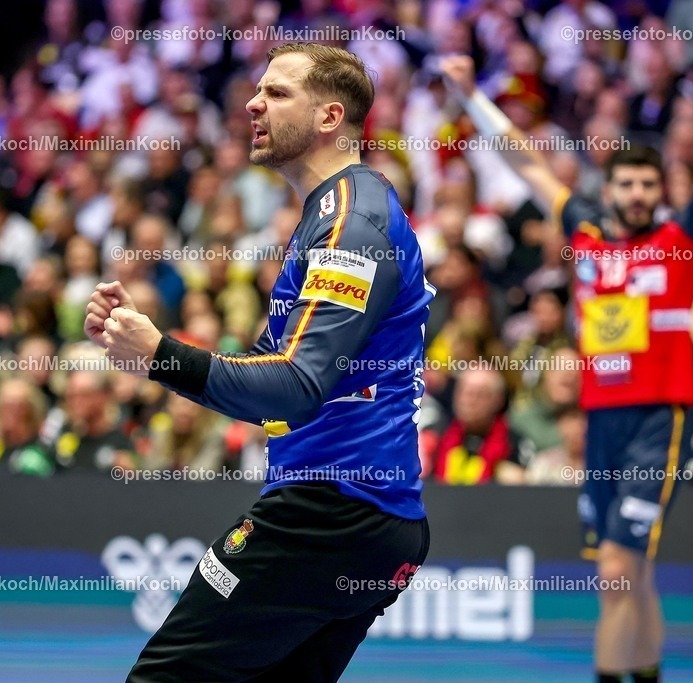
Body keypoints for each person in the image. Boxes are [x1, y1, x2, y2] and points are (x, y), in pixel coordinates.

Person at [85, 42, 432, 682]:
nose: (253, 103)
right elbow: (284, 367)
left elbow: (298, 385)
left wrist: (159, 355)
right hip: (364, 516)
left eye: (276, 92)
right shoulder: (329, 212)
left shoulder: (353, 222)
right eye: (257, 89)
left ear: (330, 117)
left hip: (329, 512)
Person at [441, 22, 693, 683]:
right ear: (609, 192)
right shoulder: (585, 235)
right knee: (631, 571)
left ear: (660, 193)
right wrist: (470, 99)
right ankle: (648, 672)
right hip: (600, 423)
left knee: (613, 573)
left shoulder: (683, 240)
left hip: (657, 419)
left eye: (647, 185)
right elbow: (523, 158)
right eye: (626, 185)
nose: (637, 195)